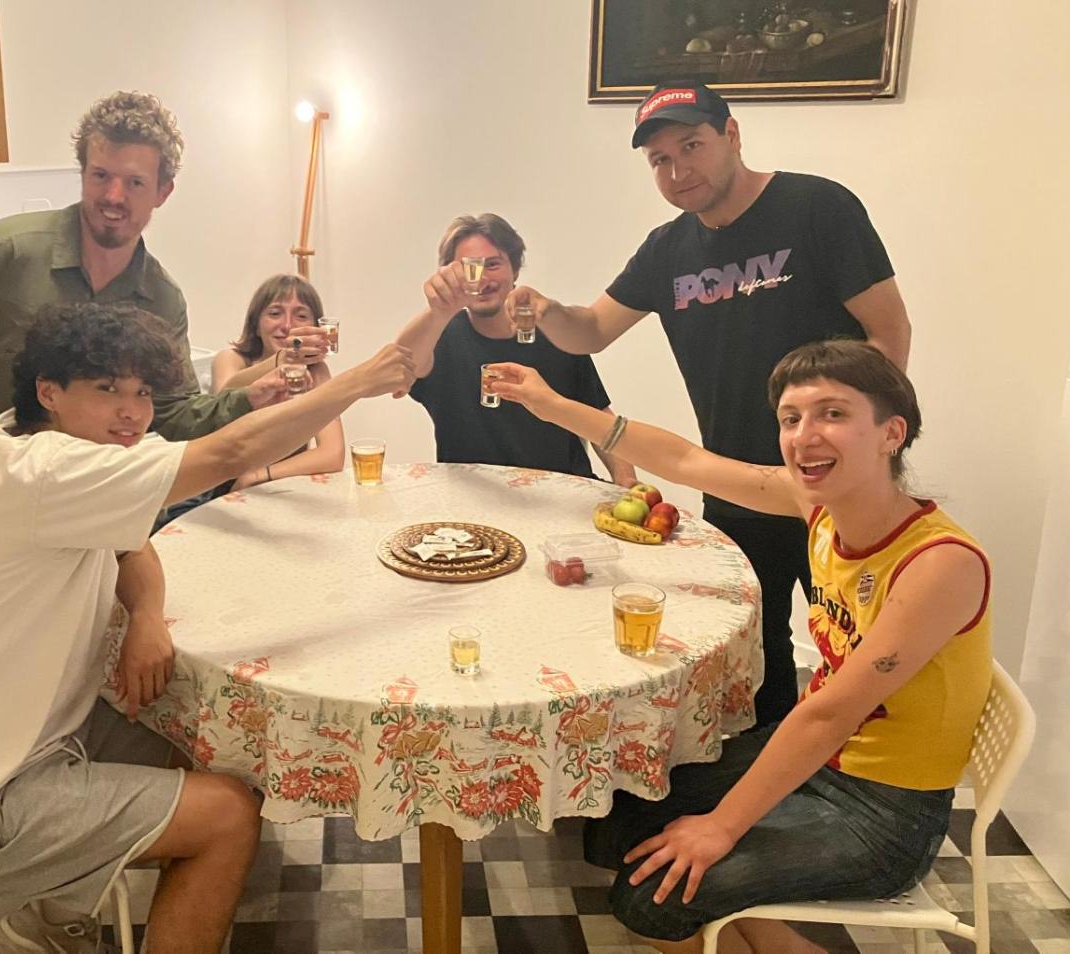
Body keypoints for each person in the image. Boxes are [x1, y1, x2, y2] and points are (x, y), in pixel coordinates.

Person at [0, 302, 414, 954]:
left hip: (4, 750)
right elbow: (233, 450)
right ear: (49, 391)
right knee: (228, 816)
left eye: (143, 393)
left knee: (198, 733)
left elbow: (134, 548)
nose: (131, 412)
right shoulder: (48, 472)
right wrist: (358, 380)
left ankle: (52, 920)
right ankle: (64, 913)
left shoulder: (23, 445)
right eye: (107, 390)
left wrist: (147, 619)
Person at [488, 339, 989, 953]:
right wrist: (554, 406)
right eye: (791, 418)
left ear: (892, 433)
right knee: (618, 817)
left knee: (652, 898)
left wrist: (722, 828)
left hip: (885, 812)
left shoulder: (938, 563)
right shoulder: (821, 509)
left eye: (833, 414)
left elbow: (830, 713)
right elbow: (686, 460)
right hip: (822, 764)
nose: (804, 436)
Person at [507, 82, 912, 725]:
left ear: (732, 135)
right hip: (733, 479)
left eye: (691, 146)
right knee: (757, 647)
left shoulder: (817, 207)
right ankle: (771, 769)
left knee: (861, 649)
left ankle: (853, 776)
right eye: (660, 160)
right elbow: (591, 332)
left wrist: (872, 454)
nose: (677, 171)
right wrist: (550, 309)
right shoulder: (667, 250)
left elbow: (888, 333)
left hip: (835, 482)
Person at [0, 90, 283, 580]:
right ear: (82, 174)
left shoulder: (160, 300)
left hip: (61, 520)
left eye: (134, 182)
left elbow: (170, 412)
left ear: (162, 192)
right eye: (101, 176)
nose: (113, 197)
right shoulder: (3, 251)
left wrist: (247, 399)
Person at [395, 213, 635, 483]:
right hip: (473, 499)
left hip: (560, 492)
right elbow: (401, 364)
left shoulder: (556, 331)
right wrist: (439, 310)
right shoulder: (440, 336)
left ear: (515, 269)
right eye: (468, 267)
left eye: (492, 264)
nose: (481, 278)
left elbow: (598, 414)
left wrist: (625, 480)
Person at [210, 274, 343, 488]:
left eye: (301, 316)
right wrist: (281, 359)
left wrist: (259, 475)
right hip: (220, 482)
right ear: (256, 325)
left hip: (278, 483)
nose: (287, 325)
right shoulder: (231, 359)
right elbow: (222, 401)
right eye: (275, 313)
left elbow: (332, 454)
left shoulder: (317, 372)